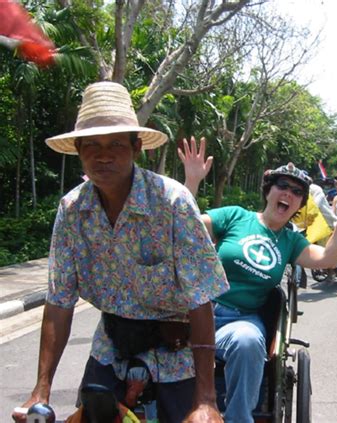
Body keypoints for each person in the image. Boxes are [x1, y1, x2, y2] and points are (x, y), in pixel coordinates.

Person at [12, 81, 229, 423]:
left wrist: (205, 400)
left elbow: (200, 301)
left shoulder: (172, 202)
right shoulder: (72, 209)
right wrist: (41, 390)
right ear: (80, 152)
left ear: (137, 147)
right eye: (92, 146)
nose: (103, 155)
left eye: (115, 144)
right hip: (110, 349)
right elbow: (59, 302)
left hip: (176, 354)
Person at [178, 138, 337, 422]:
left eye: (297, 192)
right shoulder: (235, 216)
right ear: (269, 192)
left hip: (241, 320)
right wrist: (191, 182)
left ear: (301, 204)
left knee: (249, 341)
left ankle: (239, 418)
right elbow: (185, 227)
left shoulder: (291, 241)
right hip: (197, 311)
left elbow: (328, 259)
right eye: (283, 187)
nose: (288, 194)